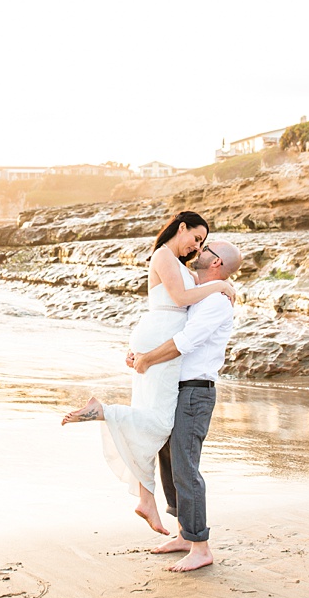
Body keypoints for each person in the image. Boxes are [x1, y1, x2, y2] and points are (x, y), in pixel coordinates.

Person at [61, 212, 235, 535]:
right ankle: (103, 413)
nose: (198, 247)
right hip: (161, 342)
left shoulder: (180, 265)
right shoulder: (163, 255)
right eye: (196, 238)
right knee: (159, 422)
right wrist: (222, 285)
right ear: (180, 227)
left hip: (159, 339)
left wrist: (223, 283)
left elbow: (203, 286)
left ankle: (147, 499)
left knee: (156, 421)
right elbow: (183, 299)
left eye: (203, 244)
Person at [130, 239, 243, 572]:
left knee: (185, 468)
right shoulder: (202, 295)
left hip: (195, 393)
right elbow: (167, 326)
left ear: (216, 262)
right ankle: (183, 534)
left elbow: (185, 342)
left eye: (205, 249)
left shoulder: (217, 303)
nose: (198, 252)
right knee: (168, 463)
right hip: (174, 389)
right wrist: (140, 353)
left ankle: (200, 545)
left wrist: (148, 359)